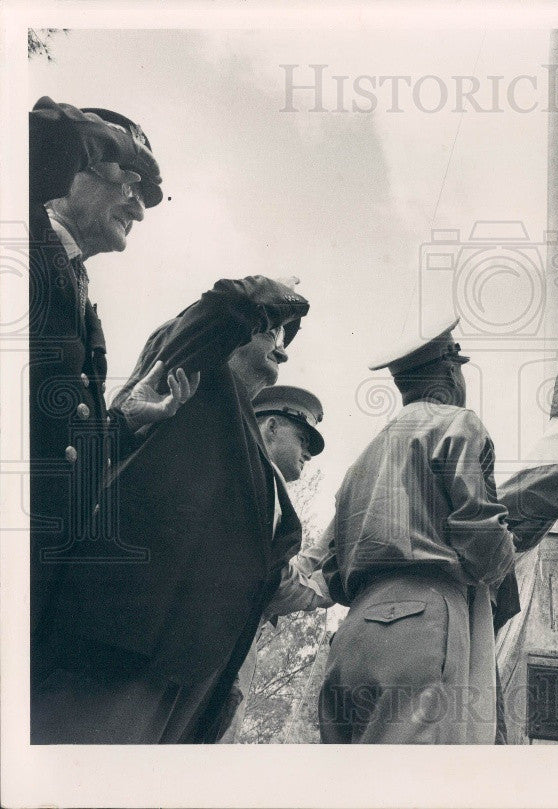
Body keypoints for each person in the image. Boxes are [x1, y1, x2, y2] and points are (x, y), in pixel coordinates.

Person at [31, 275, 310, 743]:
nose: (282, 348)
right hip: (121, 650)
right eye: (272, 330)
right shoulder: (196, 365)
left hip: (177, 662)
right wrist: (265, 293)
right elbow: (216, 312)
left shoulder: (242, 423)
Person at [28, 97, 195, 674]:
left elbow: (57, 436)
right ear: (72, 166)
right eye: (128, 181)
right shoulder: (21, 244)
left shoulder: (69, 276)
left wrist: (123, 421)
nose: (141, 211)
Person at [318, 317, 517, 744]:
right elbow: (482, 544)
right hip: (424, 620)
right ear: (449, 371)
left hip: (351, 635)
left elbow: (332, 573)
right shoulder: (456, 423)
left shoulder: (360, 464)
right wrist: (507, 545)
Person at [215, 385, 334, 743]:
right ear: (269, 428)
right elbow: (273, 584)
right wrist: (324, 590)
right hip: (216, 656)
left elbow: (278, 563)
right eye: (302, 439)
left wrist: (332, 535)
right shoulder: (257, 481)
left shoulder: (259, 481)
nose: (309, 455)